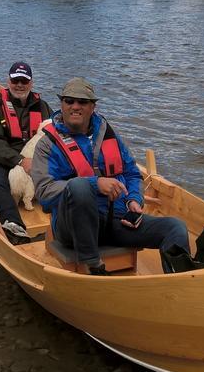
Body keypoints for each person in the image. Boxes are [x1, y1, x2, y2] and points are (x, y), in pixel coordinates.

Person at [31, 77, 192, 275]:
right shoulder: (47, 146)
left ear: (93, 107)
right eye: (69, 101)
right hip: (73, 228)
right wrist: (94, 184)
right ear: (61, 104)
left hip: (115, 221)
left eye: (82, 102)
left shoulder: (109, 135)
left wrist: (134, 199)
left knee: (175, 227)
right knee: (79, 187)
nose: (75, 106)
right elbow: (45, 194)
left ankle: (179, 284)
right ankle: (94, 266)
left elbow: (132, 173)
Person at [0, 61, 51, 245]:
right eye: (15, 80)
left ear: (31, 83)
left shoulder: (43, 107)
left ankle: (62, 225)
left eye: (24, 81)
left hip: (37, 158)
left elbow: (53, 136)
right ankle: (14, 224)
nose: (19, 85)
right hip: (3, 159)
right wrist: (20, 161)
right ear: (8, 81)